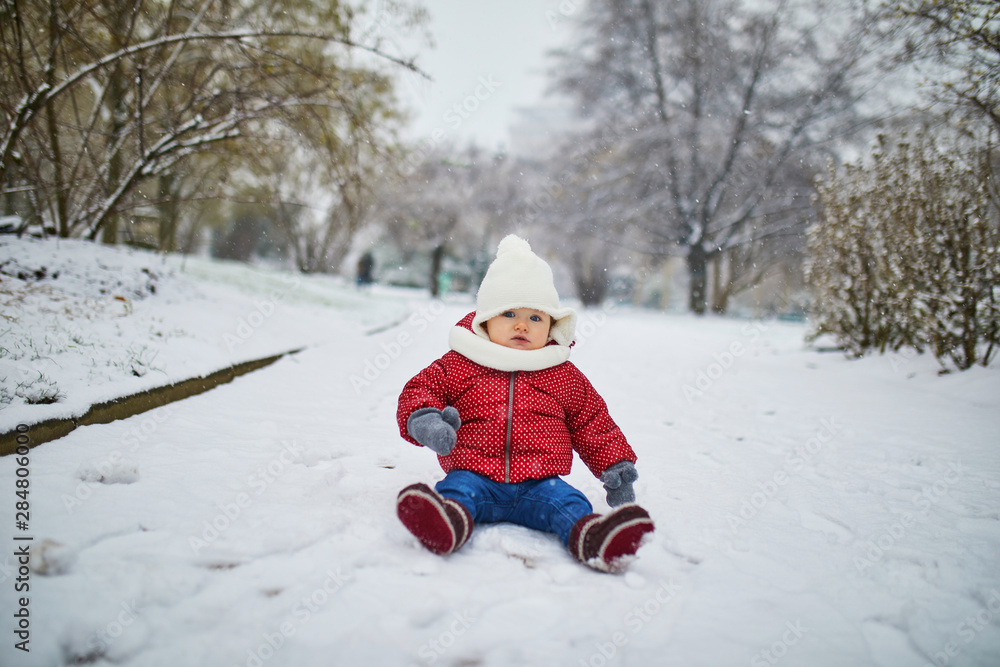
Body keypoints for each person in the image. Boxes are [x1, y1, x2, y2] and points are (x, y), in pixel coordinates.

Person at [395, 235, 654, 573]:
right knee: (456, 492)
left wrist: (616, 469)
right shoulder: (461, 363)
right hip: (474, 474)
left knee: (571, 502)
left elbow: (593, 422)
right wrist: (426, 421)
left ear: (550, 325)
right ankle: (446, 523)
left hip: (540, 484)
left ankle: (594, 539)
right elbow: (420, 389)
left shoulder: (562, 375)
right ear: (485, 319)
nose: (522, 324)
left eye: (536, 318)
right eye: (510, 313)